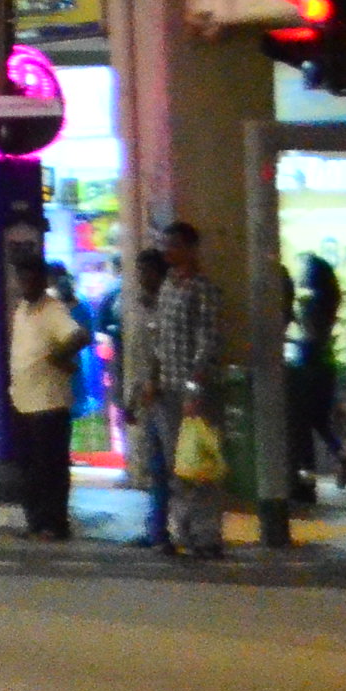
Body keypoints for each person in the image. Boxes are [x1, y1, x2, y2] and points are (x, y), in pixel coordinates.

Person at [142, 219, 228, 556]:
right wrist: (153, 379)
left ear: (191, 249)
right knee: (178, 467)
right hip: (167, 391)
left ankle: (207, 536)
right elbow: (160, 340)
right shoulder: (167, 287)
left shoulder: (202, 289)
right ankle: (185, 533)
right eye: (165, 244)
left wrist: (195, 388)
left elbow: (208, 343)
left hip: (195, 394)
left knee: (201, 466)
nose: (167, 250)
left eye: (174, 244)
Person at [10, 251, 87, 539]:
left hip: (50, 403)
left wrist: (58, 356)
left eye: (30, 276)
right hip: (24, 401)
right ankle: (35, 521)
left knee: (50, 467)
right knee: (28, 468)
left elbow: (80, 336)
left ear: (41, 280)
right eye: (21, 276)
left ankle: (54, 524)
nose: (24, 282)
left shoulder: (53, 309)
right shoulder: (21, 309)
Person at [115, 246, 169, 541]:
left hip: (165, 395)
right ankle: (156, 527)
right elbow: (134, 356)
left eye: (147, 271)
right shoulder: (136, 306)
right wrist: (130, 399)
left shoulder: (168, 304)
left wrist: (153, 384)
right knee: (154, 464)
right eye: (140, 271)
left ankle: (164, 529)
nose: (142, 277)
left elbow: (163, 353)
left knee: (167, 465)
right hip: (143, 396)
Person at [288, 256, 346, 503]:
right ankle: (340, 457)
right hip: (325, 367)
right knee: (319, 421)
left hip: (309, 367)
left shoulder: (313, 304)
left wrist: (291, 340)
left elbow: (310, 336)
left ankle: (307, 479)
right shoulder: (329, 301)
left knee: (303, 425)